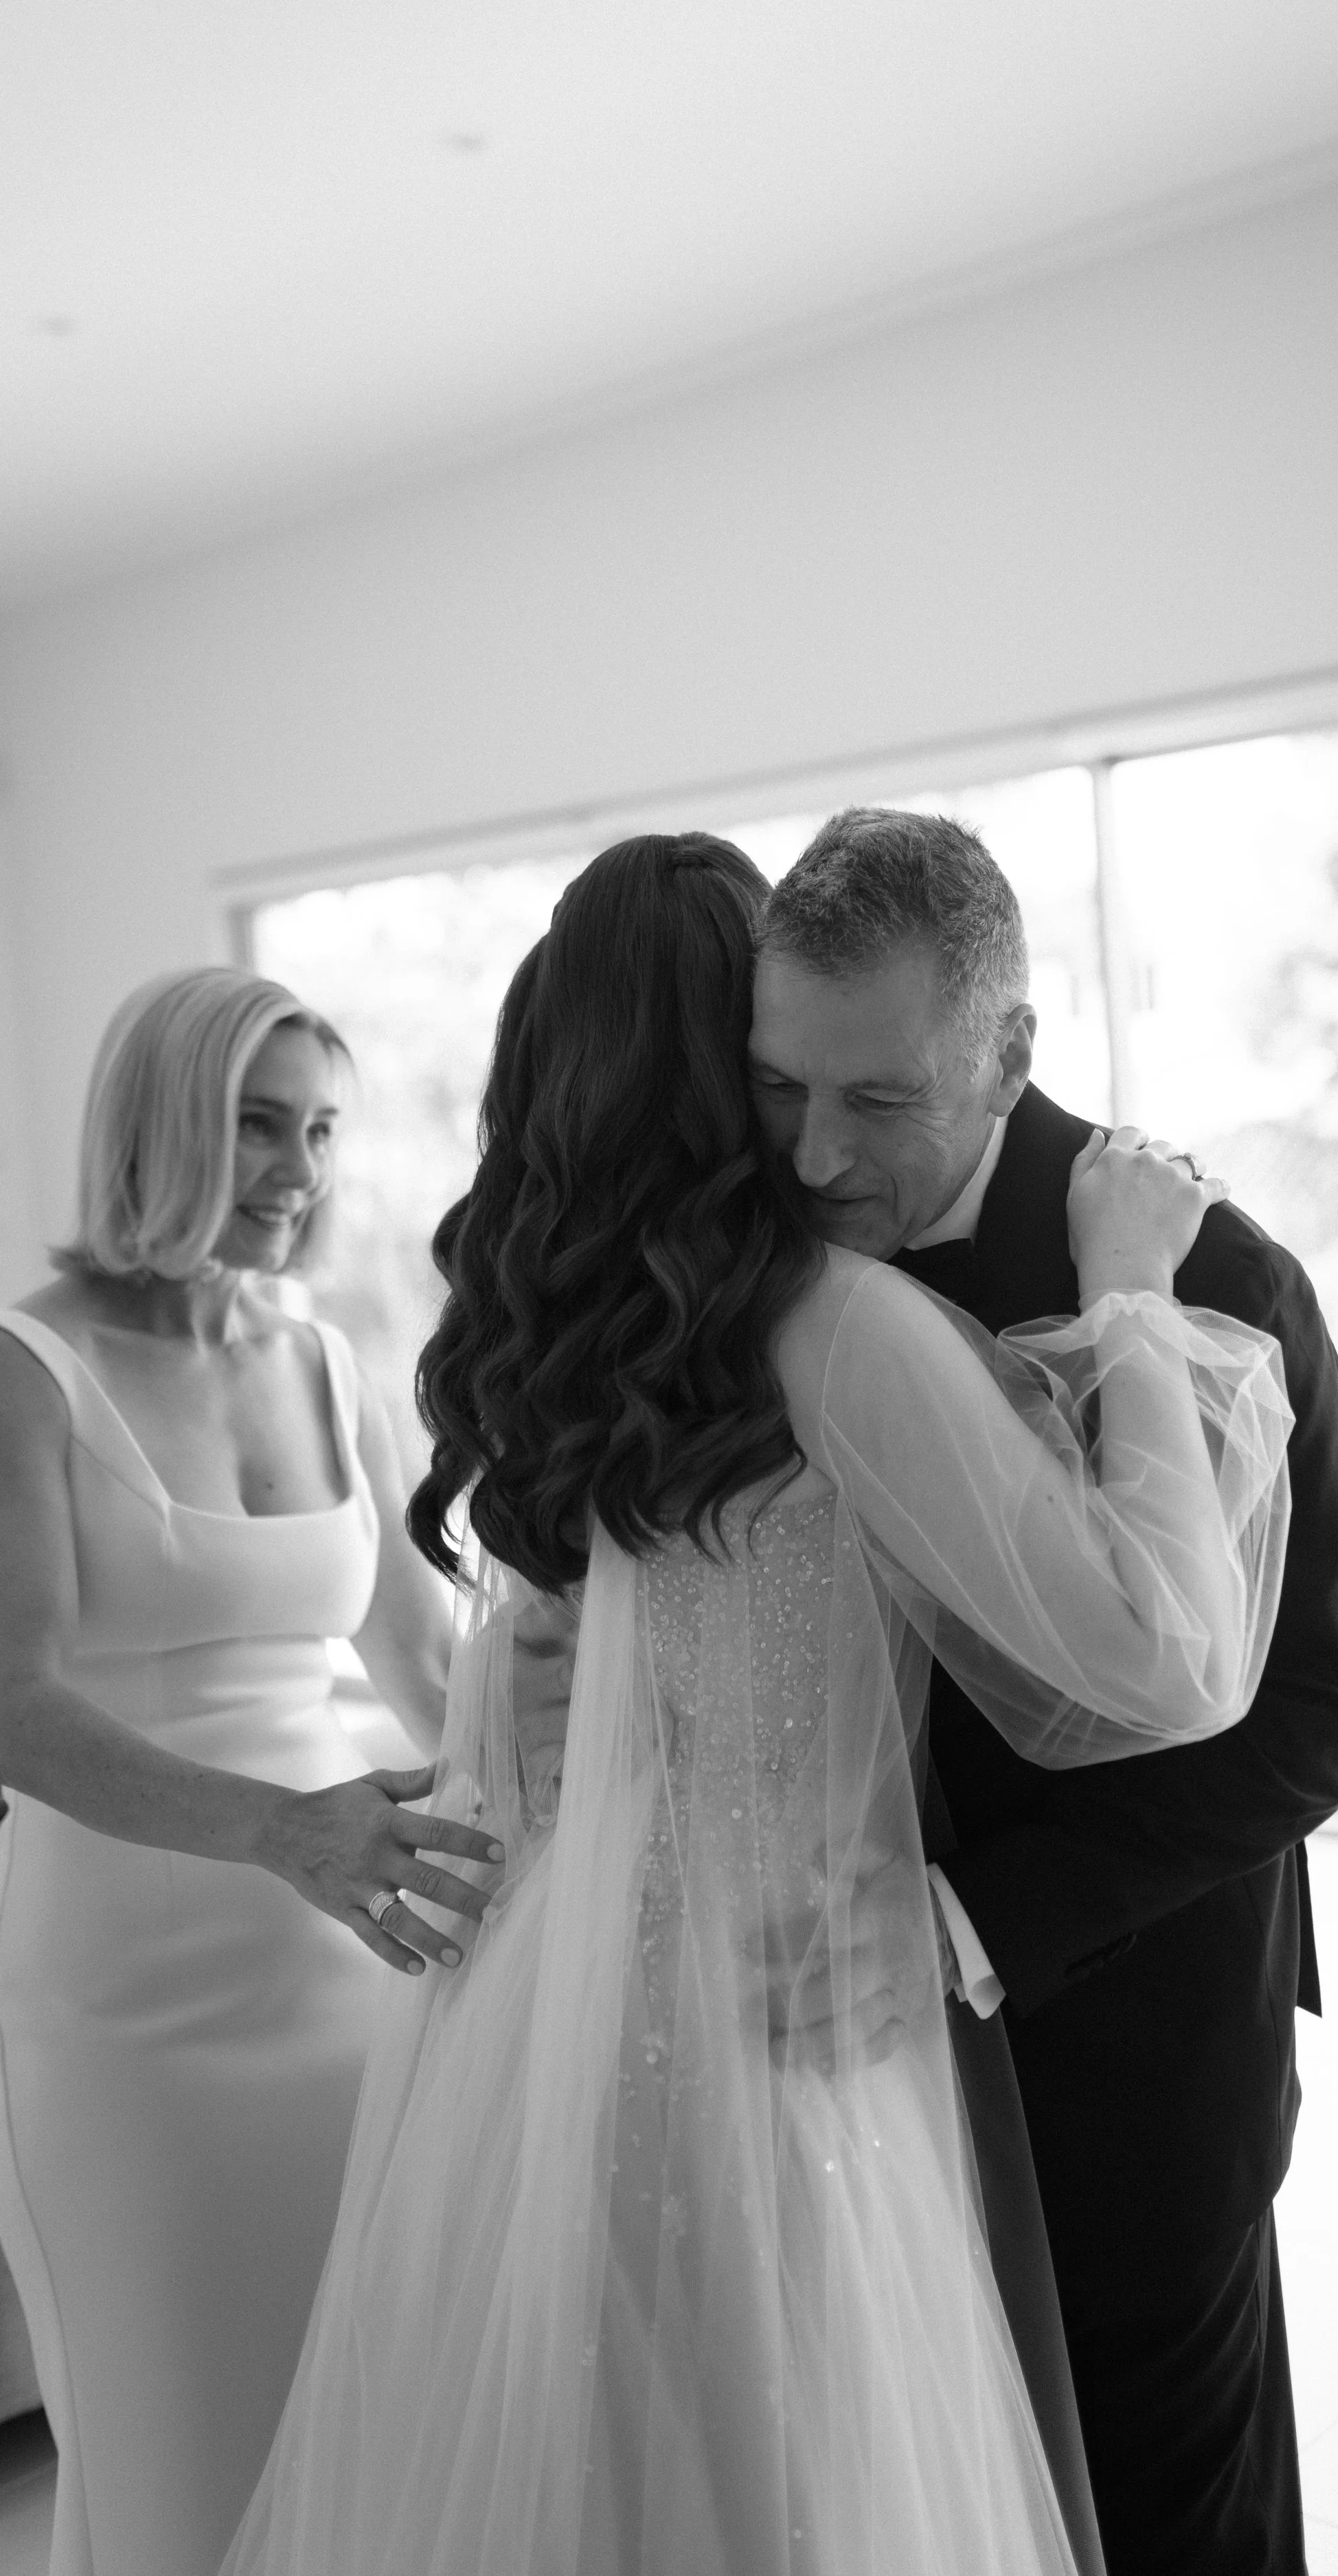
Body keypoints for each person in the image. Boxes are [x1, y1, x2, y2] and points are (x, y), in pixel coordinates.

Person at [218, 833, 1293, 2576]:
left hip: (539, 2022)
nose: (811, 1131)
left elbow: (561, 1674)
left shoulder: (564, 1341)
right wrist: (1131, 1298)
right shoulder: (829, 1322)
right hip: (781, 2015)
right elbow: (1159, 1655)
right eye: (772, 1065)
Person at [749, 807, 1338, 2575]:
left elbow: (1319, 1709)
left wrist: (969, 1917)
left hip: (1123, 2048)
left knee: (1172, 2523)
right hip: (837, 2070)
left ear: (1007, 1050)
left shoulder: (1214, 1281)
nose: (808, 1154)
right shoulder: (767, 1257)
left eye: (873, 1102)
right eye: (777, 1085)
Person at [0, 968, 506, 2576]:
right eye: (259, 1127)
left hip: (349, 1980)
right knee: (175, 2472)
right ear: (161, 1128)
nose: (300, 1171)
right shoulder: (29, 1371)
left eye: (322, 1133)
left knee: (352, 2446)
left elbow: (430, 1663)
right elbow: (9, 1704)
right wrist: (285, 1831)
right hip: (131, 2012)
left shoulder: (318, 1359)